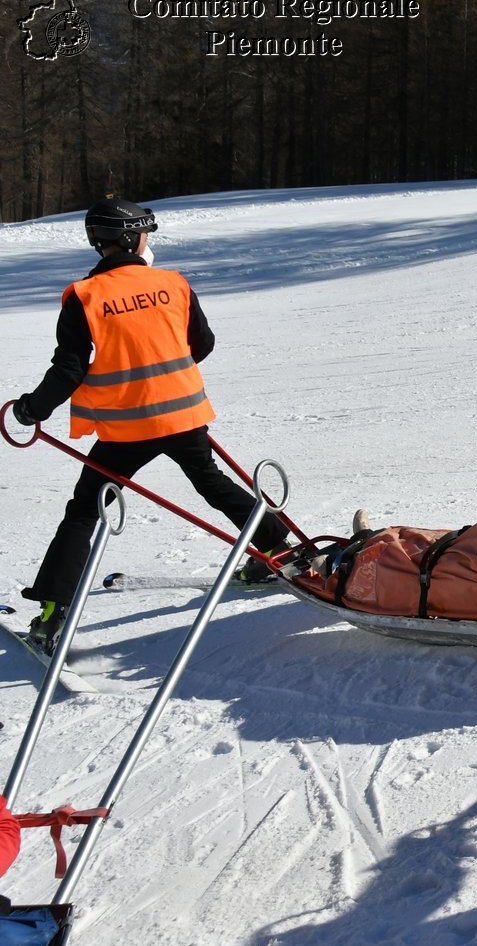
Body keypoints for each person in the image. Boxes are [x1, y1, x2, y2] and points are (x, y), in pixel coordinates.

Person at [9, 198, 291, 654]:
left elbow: (69, 370)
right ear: (129, 239)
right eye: (145, 236)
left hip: (126, 429)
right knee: (213, 484)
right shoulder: (172, 284)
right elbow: (202, 344)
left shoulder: (85, 296)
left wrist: (29, 410)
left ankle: (50, 616)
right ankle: (277, 549)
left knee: (85, 510)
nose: (148, 243)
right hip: (183, 416)